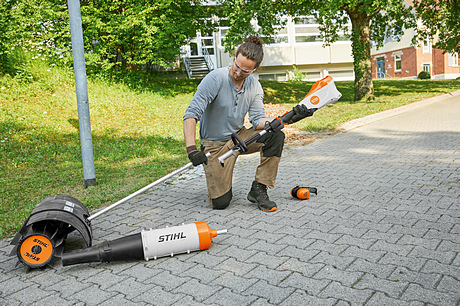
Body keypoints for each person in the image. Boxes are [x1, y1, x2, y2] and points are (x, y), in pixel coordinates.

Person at [183, 35, 312, 212]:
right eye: (237, 66)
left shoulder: (254, 85)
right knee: (221, 203)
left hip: (239, 138)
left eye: (245, 71)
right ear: (234, 57)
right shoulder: (215, 79)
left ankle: (259, 188)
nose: (238, 73)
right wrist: (191, 149)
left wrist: (290, 117)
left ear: (255, 69)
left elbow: (258, 121)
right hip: (214, 146)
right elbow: (191, 114)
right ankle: (219, 184)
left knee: (275, 136)